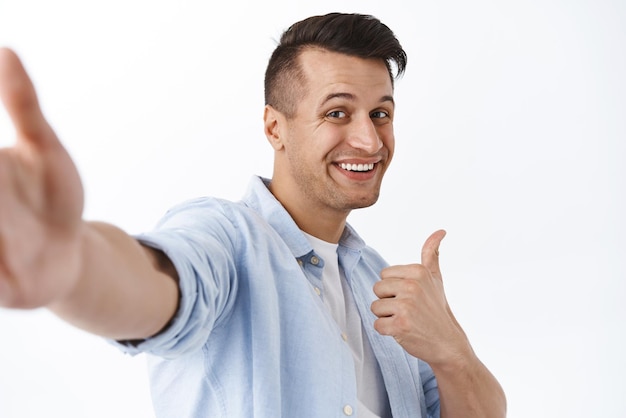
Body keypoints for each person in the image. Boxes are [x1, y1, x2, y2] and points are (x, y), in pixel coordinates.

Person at [0, 12, 506, 418]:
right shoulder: (224, 237)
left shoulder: (383, 282)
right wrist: (75, 267)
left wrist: (451, 351)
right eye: (337, 112)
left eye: (381, 113)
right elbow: (160, 287)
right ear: (274, 128)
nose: (370, 140)